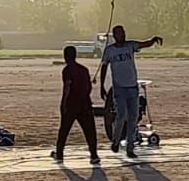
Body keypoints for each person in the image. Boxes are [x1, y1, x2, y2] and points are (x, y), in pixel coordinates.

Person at [100, 24, 162, 158]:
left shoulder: (130, 46)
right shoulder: (110, 51)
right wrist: (101, 86)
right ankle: (115, 141)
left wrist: (153, 40)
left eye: (123, 33)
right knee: (121, 115)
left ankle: (130, 148)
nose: (122, 35)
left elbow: (144, 44)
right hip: (119, 88)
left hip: (132, 87)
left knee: (133, 117)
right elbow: (104, 67)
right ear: (115, 36)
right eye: (119, 34)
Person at [52, 45, 101, 165]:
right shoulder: (84, 69)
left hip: (71, 104)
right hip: (85, 103)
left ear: (65, 56)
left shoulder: (67, 70)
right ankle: (93, 155)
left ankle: (59, 153)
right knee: (89, 130)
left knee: (64, 129)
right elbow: (89, 87)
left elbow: (67, 87)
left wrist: (63, 103)